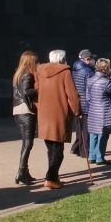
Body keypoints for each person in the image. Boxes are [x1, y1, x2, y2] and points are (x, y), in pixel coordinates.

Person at [36, 50, 82, 189]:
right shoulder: (65, 72)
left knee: (51, 149)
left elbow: (35, 92)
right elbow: (72, 95)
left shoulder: (39, 71)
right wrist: (77, 111)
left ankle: (53, 177)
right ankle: (50, 178)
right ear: (62, 60)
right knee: (58, 151)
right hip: (59, 115)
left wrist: (40, 106)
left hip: (44, 115)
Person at [11, 51, 39, 185]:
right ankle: (21, 172)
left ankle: (24, 171)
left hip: (18, 109)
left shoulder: (18, 74)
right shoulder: (27, 74)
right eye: (35, 61)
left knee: (26, 142)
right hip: (25, 110)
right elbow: (27, 92)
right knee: (28, 142)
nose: (37, 63)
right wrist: (39, 90)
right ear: (30, 62)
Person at [84, 58, 111, 165]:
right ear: (106, 69)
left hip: (93, 110)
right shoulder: (105, 82)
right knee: (103, 134)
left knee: (93, 133)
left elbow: (88, 97)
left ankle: (91, 156)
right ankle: (100, 158)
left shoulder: (90, 79)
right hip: (104, 111)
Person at [70, 49, 95, 157]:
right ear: (87, 59)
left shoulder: (75, 68)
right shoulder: (88, 71)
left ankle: (76, 148)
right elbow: (91, 89)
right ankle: (85, 151)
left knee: (79, 127)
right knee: (86, 129)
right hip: (86, 104)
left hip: (78, 102)